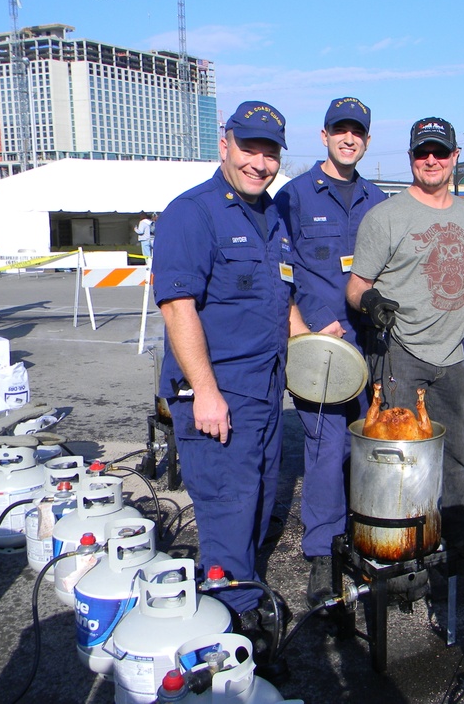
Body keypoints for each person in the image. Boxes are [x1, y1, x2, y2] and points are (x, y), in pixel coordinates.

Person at [152, 101, 294, 654]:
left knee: (257, 504)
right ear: (225, 145)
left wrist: (315, 348)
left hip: (264, 392)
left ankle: (238, 598)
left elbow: (281, 301)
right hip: (219, 394)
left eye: (269, 152)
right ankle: (230, 636)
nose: (259, 162)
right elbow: (178, 308)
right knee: (228, 511)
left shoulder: (272, 217)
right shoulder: (193, 213)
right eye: (250, 148)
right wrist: (206, 393)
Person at [345, 117, 464, 552]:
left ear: (454, 158)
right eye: (423, 152)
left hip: (452, 359)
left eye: (440, 152)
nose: (431, 160)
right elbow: (356, 285)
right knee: (402, 458)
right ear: (410, 158)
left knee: (457, 451)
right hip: (400, 356)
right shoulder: (385, 216)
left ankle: (450, 538)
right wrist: (371, 304)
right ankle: (404, 549)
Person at [273, 97, 386, 607]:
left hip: (371, 342)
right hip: (322, 345)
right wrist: (307, 329)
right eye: (339, 130)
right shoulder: (292, 197)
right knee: (324, 447)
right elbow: (279, 273)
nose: (348, 139)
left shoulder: (377, 200)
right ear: (323, 136)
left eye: (356, 132)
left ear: (365, 140)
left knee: (369, 443)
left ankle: (364, 533)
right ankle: (323, 553)